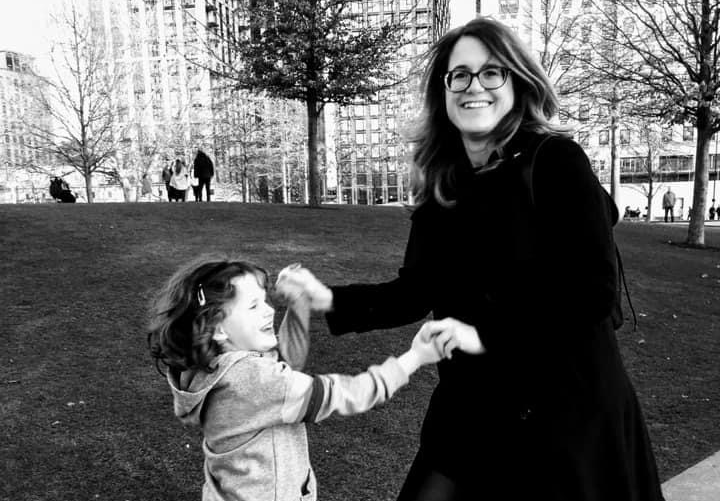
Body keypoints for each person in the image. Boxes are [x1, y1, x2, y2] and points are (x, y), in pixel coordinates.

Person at [277, 17, 665, 501]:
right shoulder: (445, 183)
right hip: (472, 410)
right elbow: (416, 291)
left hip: (563, 410)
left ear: (518, 84)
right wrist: (328, 298)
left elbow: (592, 293)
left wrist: (483, 334)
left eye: (490, 73)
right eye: (459, 74)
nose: (473, 86)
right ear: (444, 90)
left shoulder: (557, 161)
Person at [147, 258, 471, 501]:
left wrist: (299, 302)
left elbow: (284, 367)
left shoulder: (213, 368)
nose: (269, 311)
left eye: (267, 300)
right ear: (217, 327)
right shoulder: (256, 381)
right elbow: (349, 394)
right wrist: (416, 356)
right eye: (254, 305)